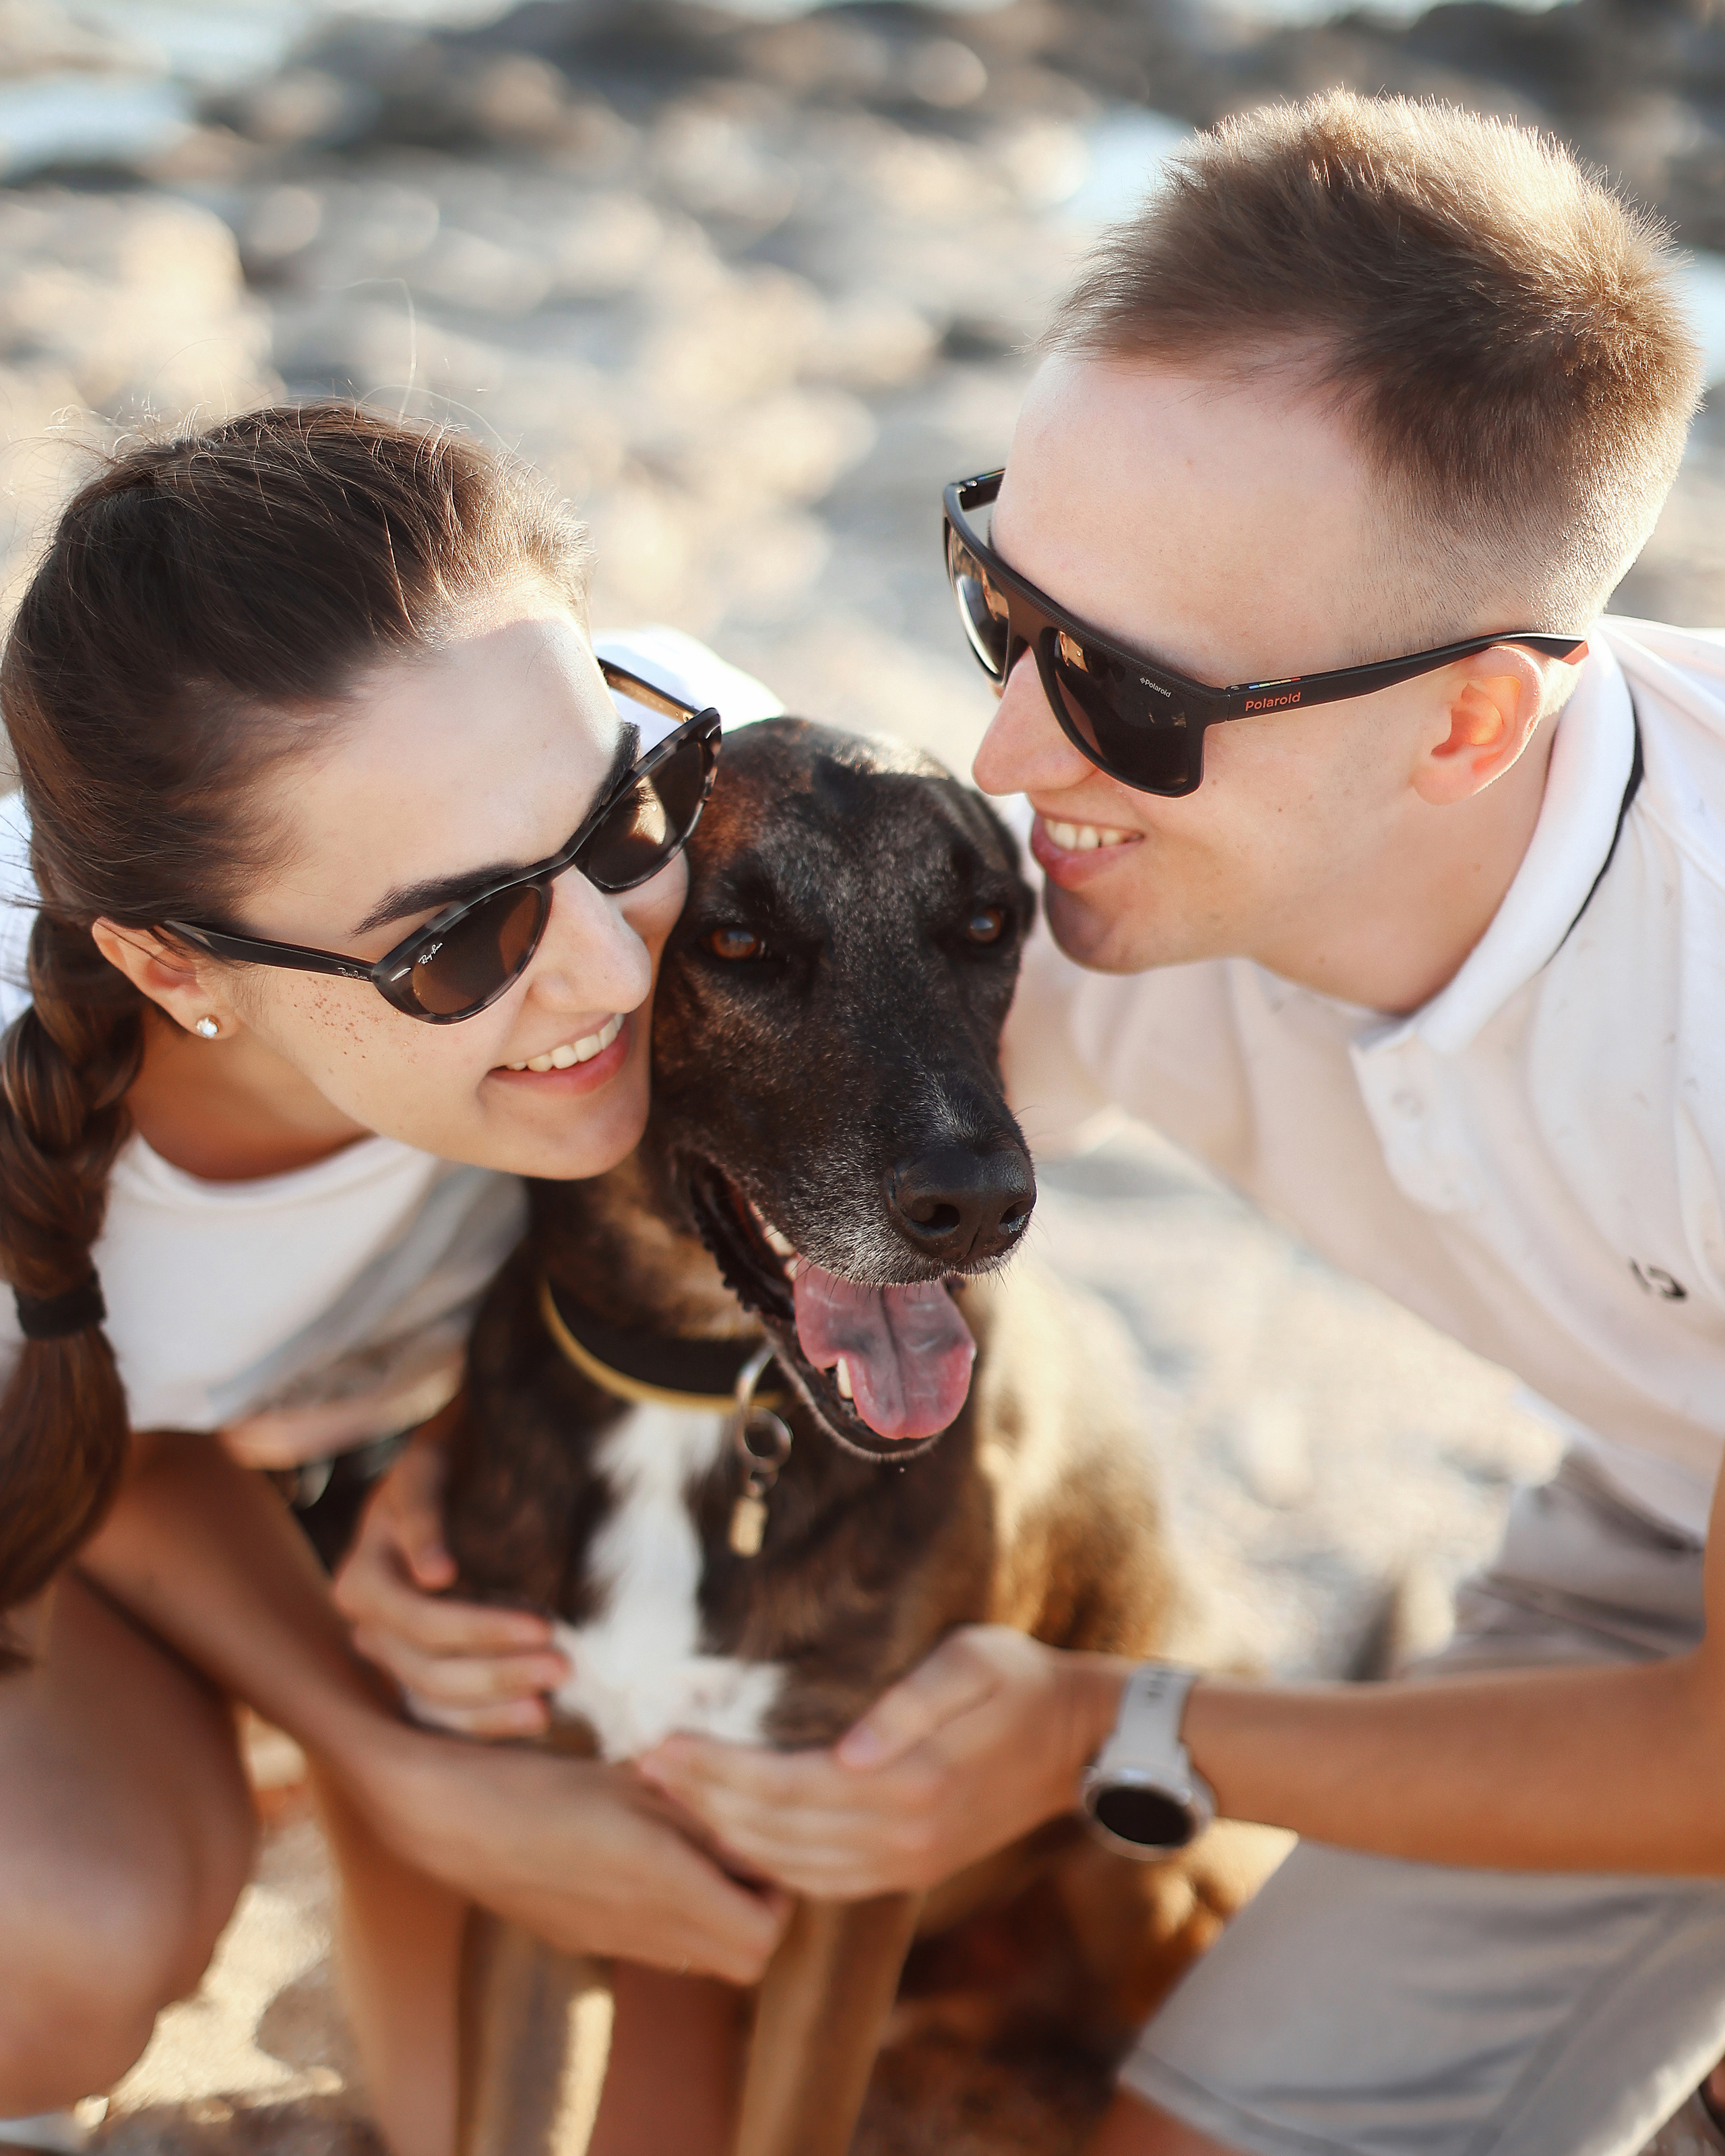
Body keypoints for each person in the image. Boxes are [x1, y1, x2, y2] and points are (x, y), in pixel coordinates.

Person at [626, 94, 1725, 2156]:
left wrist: (1110, 1730)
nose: (1010, 749)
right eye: (998, 602)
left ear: (1468, 721)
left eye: (1131, 694)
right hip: (1670, 1501)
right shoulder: (1098, 885)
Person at [0, 403, 792, 2156]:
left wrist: (481, 1417)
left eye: (614, 821)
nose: (603, 960)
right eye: (461, 939)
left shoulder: (699, 759)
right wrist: (391, 1759)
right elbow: (70, 1440)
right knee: (67, 1928)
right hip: (52, 1491)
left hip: (362, 1455)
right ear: (168, 964)